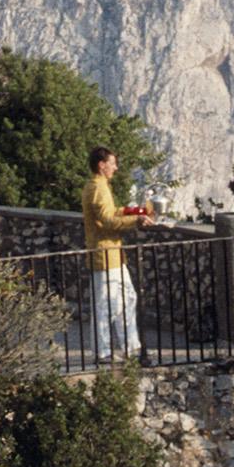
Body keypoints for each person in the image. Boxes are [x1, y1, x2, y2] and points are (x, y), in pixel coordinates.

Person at [83, 144, 150, 366]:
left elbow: (110, 213)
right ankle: (103, 351)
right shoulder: (98, 188)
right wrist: (136, 220)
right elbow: (107, 221)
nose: (116, 168)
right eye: (112, 163)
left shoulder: (99, 186)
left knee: (126, 298)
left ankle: (130, 346)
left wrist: (132, 211)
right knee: (105, 304)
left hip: (112, 255)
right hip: (105, 254)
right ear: (102, 165)